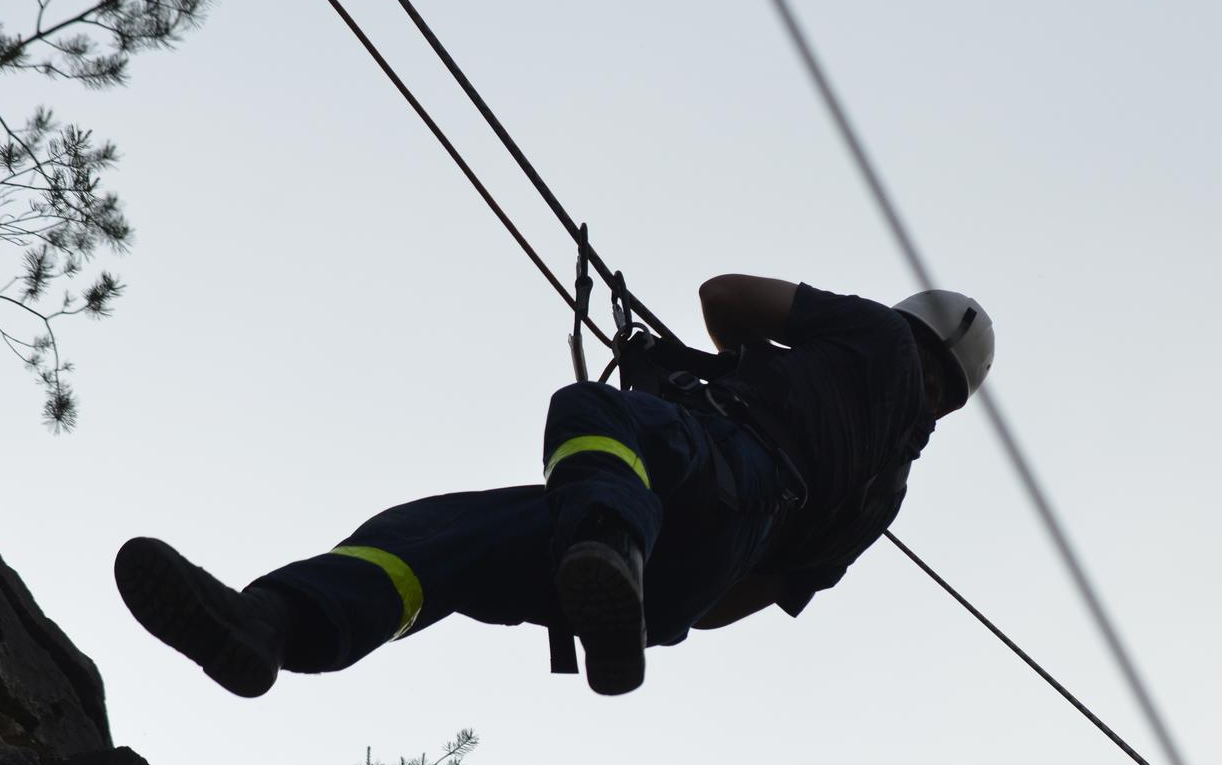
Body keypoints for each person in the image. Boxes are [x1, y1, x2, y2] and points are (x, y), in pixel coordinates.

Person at [114, 276, 994, 697]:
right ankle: (269, 625)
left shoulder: (874, 335)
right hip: (683, 582)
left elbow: (724, 294)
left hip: (717, 458)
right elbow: (743, 604)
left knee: (592, 412)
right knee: (439, 542)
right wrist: (641, 596)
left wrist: (731, 382)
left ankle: (605, 541)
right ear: (951, 402)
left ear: (911, 325)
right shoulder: (885, 498)